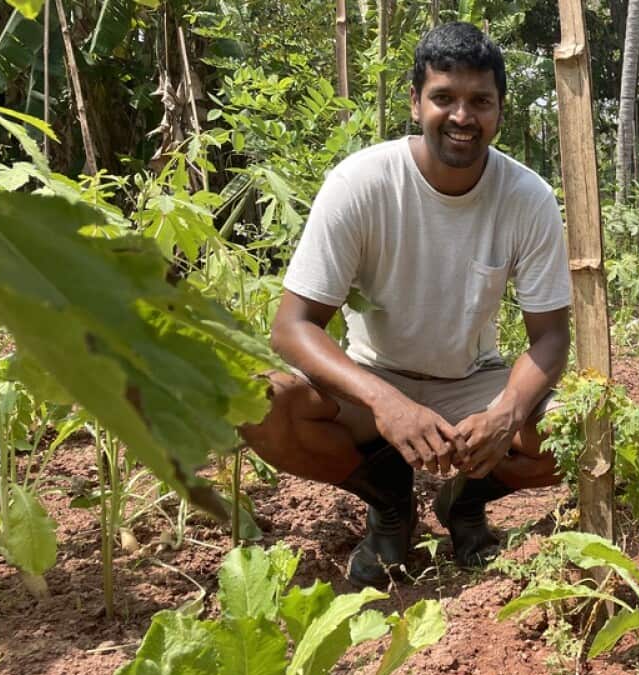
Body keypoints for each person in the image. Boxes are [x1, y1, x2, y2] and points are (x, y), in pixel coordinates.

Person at [241, 22, 571, 588]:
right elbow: (293, 327)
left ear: (499, 110)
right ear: (417, 103)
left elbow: (550, 336)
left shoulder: (527, 198)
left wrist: (507, 413)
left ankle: (464, 501)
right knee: (258, 402)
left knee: (580, 431)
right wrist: (386, 403)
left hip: (471, 382)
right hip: (370, 382)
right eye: (444, 97)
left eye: (480, 101)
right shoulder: (362, 183)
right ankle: (389, 501)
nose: (462, 117)